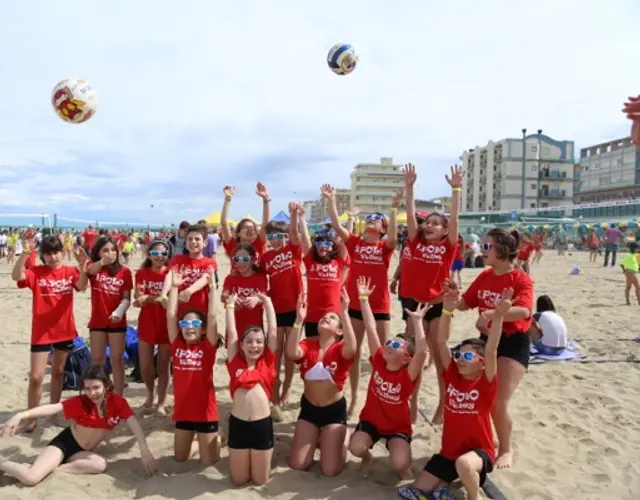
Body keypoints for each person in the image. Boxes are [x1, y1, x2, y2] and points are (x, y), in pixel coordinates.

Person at [398, 288, 512, 500]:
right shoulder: (452, 376)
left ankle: (473, 496)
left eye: (468, 355)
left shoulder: (485, 382)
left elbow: (491, 349)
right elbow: (441, 342)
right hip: (449, 452)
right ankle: (450, 480)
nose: (460, 358)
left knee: (464, 464)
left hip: (479, 452)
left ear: (482, 363)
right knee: (418, 489)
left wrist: (498, 316)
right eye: (459, 354)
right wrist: (447, 312)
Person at [450, 228, 534, 470]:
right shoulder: (485, 276)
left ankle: (506, 450)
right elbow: (466, 303)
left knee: (498, 400)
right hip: (486, 341)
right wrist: (454, 299)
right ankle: (488, 440)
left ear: (503, 251)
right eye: (482, 246)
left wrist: (494, 313)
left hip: (513, 342)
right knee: (481, 397)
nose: (481, 251)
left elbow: (524, 311)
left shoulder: (520, 279)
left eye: (487, 247)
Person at [0, 364, 156, 486]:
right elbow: (53, 408)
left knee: (100, 464)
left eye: (96, 387)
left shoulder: (118, 403)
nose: (91, 393)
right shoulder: (81, 402)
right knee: (31, 478)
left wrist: (144, 448)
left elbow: (133, 423)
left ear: (107, 385)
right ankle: (3, 464)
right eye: (87, 388)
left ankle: (50, 468)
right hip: (65, 444)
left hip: (82, 453)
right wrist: (22, 415)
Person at [321, 182, 400, 416]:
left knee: (383, 357)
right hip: (355, 305)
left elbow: (394, 237)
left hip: (379, 306)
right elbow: (336, 225)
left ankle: (377, 398)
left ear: (383, 228)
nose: (372, 220)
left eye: (377, 218)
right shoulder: (356, 243)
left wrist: (394, 209)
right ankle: (354, 398)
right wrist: (331, 200)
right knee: (352, 355)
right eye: (370, 217)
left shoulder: (385, 247)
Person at [348, 277, 429, 479]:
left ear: (406, 358)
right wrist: (364, 299)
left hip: (397, 426)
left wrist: (418, 322)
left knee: (401, 461)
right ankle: (368, 458)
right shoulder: (379, 360)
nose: (389, 346)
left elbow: (421, 353)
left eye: (395, 346)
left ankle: (405, 471)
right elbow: (371, 327)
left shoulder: (407, 374)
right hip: (371, 421)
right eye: (390, 343)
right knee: (356, 448)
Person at [402, 163, 462, 424]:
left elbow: (456, 218)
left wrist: (456, 190)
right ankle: (412, 405)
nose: (429, 226)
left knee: (439, 358)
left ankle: (443, 404)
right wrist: (410, 187)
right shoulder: (415, 242)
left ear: (445, 230)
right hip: (416, 307)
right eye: (427, 223)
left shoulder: (448, 247)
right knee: (415, 356)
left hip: (438, 304)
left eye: (436, 224)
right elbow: (411, 214)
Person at [11, 236, 88, 433]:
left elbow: (82, 286)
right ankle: (31, 418)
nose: (53, 257)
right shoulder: (36, 272)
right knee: (36, 377)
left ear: (62, 252)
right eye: (48, 253)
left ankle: (54, 412)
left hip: (64, 330)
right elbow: (16, 276)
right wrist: (25, 254)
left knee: (58, 372)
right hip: (42, 332)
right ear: (43, 256)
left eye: (56, 252)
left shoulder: (69, 271)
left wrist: (82, 265)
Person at [286, 289, 357, 477]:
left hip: (333, 410)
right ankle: (320, 436)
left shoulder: (340, 348)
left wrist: (345, 312)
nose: (325, 318)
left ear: (339, 330)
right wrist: (299, 320)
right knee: (298, 464)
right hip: (309, 409)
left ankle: (342, 436)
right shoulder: (308, 344)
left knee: (330, 470)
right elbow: (292, 353)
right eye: (323, 317)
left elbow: (352, 348)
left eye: (332, 318)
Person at [166, 268, 221, 465]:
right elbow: (171, 314)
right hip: (183, 412)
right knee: (180, 458)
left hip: (206, 413)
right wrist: (174, 287)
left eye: (195, 323)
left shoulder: (208, 346)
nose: (190, 327)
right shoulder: (176, 344)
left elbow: (213, 316)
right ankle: (202, 443)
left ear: (203, 328)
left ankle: (216, 439)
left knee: (208, 463)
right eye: (185, 323)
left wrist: (213, 288)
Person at [225, 291, 277, 485]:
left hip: (261, 426)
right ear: (242, 345)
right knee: (239, 480)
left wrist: (267, 302)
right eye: (249, 341)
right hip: (238, 425)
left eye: (258, 341)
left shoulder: (268, 362)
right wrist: (230, 307)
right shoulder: (235, 361)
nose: (254, 345)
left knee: (260, 481)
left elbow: (272, 331)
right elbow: (232, 333)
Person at [258, 203, 304, 409]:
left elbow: (294, 231)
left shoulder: (293, 250)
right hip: (276, 310)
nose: (275, 240)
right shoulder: (266, 257)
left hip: (295, 309)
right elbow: (258, 279)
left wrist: (294, 215)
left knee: (290, 354)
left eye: (279, 236)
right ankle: (273, 391)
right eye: (272, 237)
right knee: (275, 353)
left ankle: (286, 391)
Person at [86, 236, 134, 396]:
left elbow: (127, 298)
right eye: (105, 250)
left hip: (117, 322)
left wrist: (119, 311)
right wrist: (102, 262)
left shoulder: (125, 271)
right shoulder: (95, 267)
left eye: (113, 250)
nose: (110, 253)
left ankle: (118, 397)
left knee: (117, 360)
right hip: (97, 321)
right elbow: (89, 271)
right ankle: (99, 394)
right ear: (98, 253)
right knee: (97, 361)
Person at [134, 240, 172, 415]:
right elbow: (138, 298)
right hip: (147, 322)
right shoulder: (141, 273)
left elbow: (170, 299)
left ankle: (162, 403)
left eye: (163, 253)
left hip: (166, 324)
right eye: (155, 253)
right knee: (145, 367)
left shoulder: (171, 274)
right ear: (149, 255)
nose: (159, 257)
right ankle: (150, 393)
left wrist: (149, 297)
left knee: (163, 366)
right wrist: (154, 297)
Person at [161, 224, 217, 318]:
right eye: (190, 239)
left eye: (197, 239)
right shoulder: (178, 259)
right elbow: (170, 275)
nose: (193, 242)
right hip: (179, 309)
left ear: (205, 243)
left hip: (201, 311)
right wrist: (163, 294)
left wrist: (188, 291)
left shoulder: (209, 262)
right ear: (185, 242)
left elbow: (205, 279)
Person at [222, 243, 269, 340]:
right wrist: (230, 300)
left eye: (245, 259)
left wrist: (257, 299)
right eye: (237, 259)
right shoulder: (230, 278)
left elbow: (264, 295)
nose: (241, 262)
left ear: (252, 260)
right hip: (234, 326)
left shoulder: (260, 278)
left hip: (254, 328)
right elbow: (224, 296)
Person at [220, 183, 270, 270]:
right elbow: (224, 223)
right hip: (237, 283)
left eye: (252, 228)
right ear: (238, 233)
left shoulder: (259, 244)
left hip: (257, 283)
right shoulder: (233, 245)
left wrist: (265, 198)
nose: (250, 229)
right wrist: (228, 198)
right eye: (246, 227)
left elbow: (265, 223)